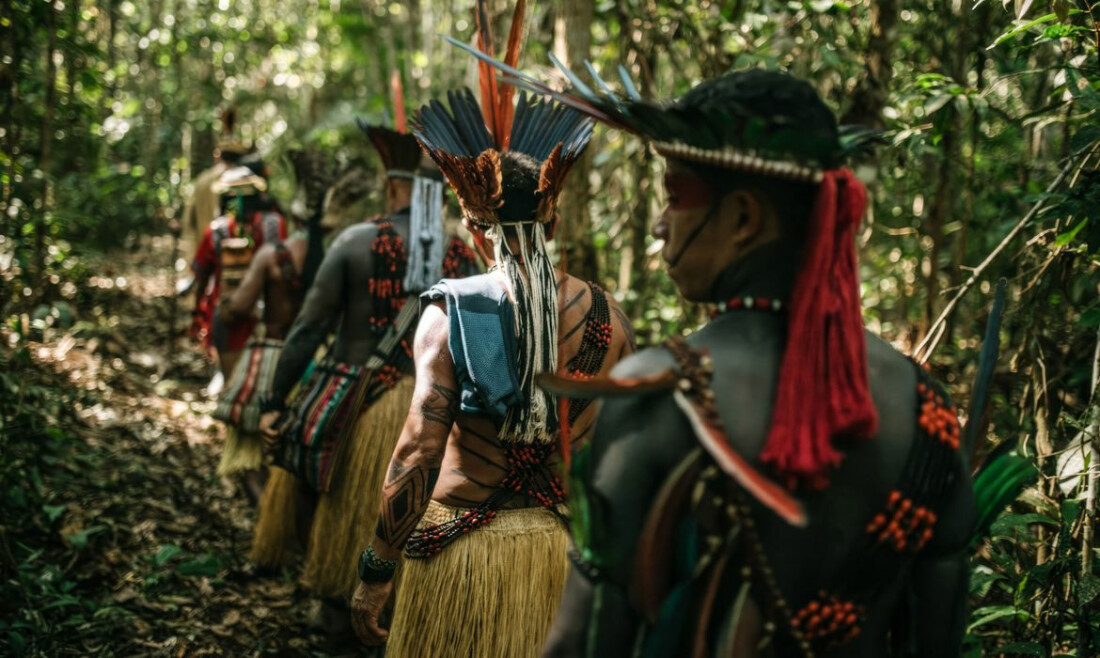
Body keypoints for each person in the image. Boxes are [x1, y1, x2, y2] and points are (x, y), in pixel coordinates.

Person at [498, 67, 975, 656]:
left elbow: (586, 641)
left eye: (674, 197)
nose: (659, 223)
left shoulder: (657, 392)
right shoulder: (928, 410)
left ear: (744, 219)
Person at [349, 6, 635, 654]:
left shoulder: (449, 311)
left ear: (474, 231)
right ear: (553, 223)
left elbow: (419, 448)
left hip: (461, 563)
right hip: (560, 563)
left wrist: (375, 570)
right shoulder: (608, 318)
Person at [257, 92, 480, 638]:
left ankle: (336, 604)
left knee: (338, 515)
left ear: (394, 186)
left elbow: (308, 329)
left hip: (356, 413)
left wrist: (271, 401)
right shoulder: (463, 259)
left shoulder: (356, 242)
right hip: (429, 419)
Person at [211, 148, 336, 522]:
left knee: (249, 448)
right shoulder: (331, 257)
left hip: (269, 357)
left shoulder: (272, 255)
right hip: (315, 361)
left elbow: (240, 307)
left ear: (294, 215)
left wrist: (223, 308)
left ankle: (269, 520)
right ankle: (291, 523)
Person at [189, 164, 287, 379]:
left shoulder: (216, 231)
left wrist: (196, 314)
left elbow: (202, 276)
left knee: (231, 380)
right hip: (268, 319)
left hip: (228, 317)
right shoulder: (276, 225)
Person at [179, 107, 247, 258]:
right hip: (234, 255)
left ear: (218, 156)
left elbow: (188, 220)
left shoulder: (202, 179)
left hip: (204, 253)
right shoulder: (244, 180)